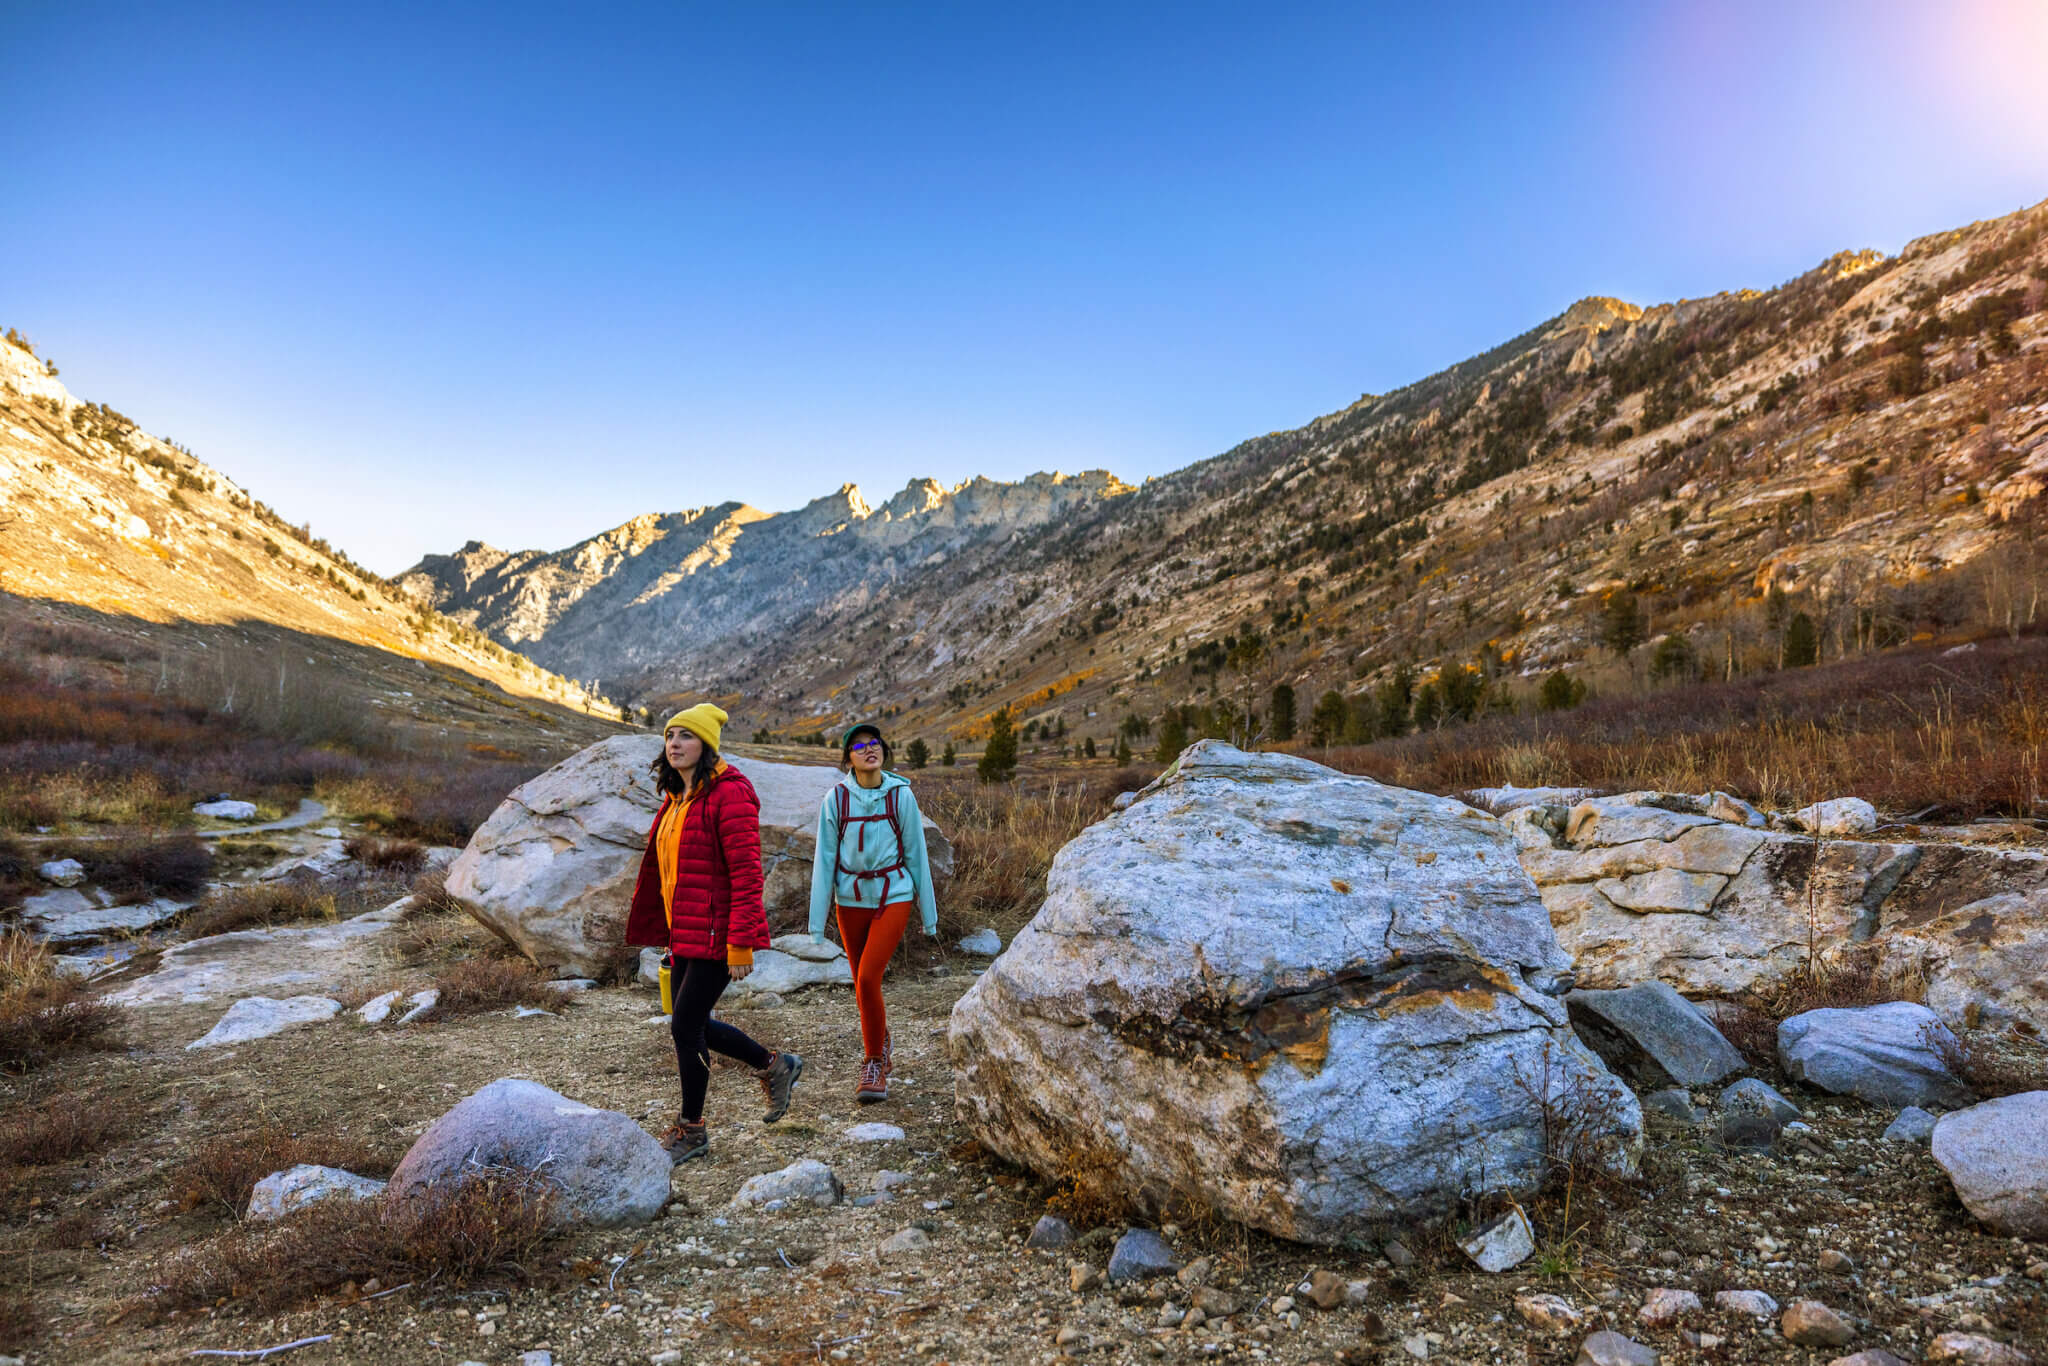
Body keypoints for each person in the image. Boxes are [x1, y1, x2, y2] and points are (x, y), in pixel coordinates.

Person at [625, 703, 802, 1163]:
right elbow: (670, 873)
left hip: (718, 934)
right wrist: (668, 930)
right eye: (670, 736)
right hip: (686, 931)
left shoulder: (730, 795)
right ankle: (773, 1065)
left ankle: (693, 1129)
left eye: (686, 736)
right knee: (693, 1023)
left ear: (706, 745)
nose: (675, 744)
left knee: (684, 1025)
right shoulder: (677, 797)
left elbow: (747, 874)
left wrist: (740, 942)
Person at [808, 722, 937, 1103]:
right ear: (848, 758)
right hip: (849, 900)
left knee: (866, 979)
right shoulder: (836, 801)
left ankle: (874, 1063)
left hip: (893, 893)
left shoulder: (901, 797)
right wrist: (817, 925)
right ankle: (881, 1040)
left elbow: (917, 854)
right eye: (859, 745)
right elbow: (824, 861)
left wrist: (928, 915)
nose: (869, 749)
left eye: (875, 743)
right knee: (865, 986)